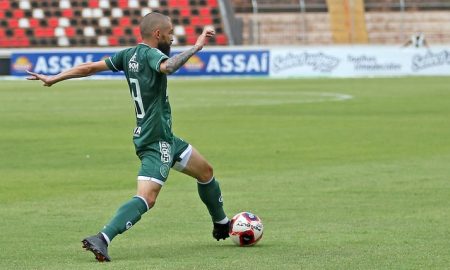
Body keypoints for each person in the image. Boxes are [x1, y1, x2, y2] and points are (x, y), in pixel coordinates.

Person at [26, 12, 230, 262]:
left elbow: (89, 68)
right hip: (157, 141)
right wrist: (197, 47)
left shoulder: (128, 54)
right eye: (170, 34)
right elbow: (170, 67)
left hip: (162, 136)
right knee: (147, 198)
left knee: (205, 172)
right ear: (157, 34)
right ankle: (103, 237)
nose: (172, 38)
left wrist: (54, 78)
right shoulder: (152, 54)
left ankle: (221, 223)